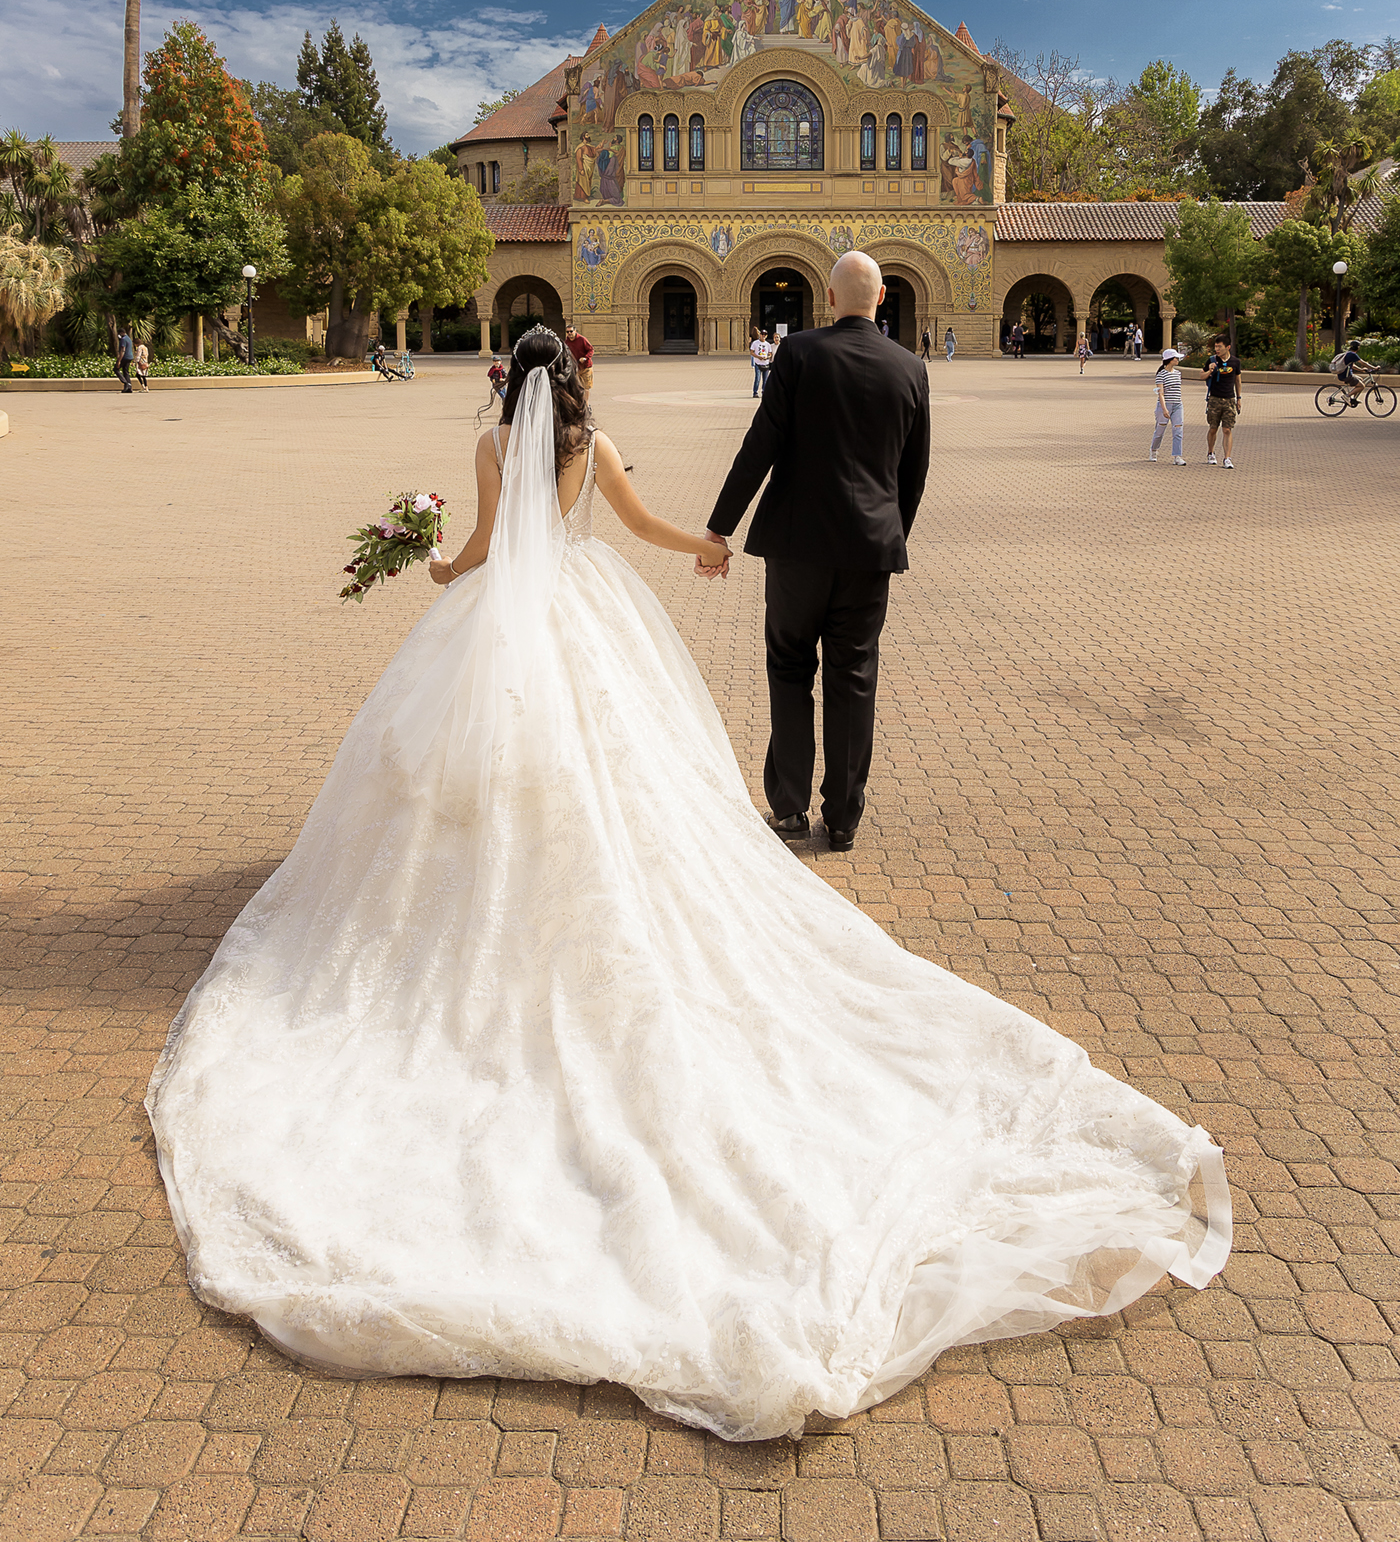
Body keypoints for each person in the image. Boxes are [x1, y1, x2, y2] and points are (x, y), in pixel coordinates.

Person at [146, 321, 1230, 1440]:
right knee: (617, 766)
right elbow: (644, 526)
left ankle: (483, 887)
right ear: (572, 381)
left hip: (497, 625)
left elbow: (476, 554)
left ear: (504, 383)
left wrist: (423, 562)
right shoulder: (594, 442)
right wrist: (707, 549)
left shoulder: (488, 450)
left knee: (473, 755)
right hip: (583, 612)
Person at [702, 250, 930, 851]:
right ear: (881, 298)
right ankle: (846, 816)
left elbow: (761, 447)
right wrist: (889, 532)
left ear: (828, 299)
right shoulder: (910, 368)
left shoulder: (799, 352)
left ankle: (790, 808)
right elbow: (914, 473)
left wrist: (718, 529)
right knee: (855, 677)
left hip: (797, 547)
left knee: (790, 670)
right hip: (869, 549)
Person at [1203, 335, 1242, 467]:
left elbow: (1238, 380)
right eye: (1215, 346)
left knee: (1227, 429)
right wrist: (1210, 370)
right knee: (1213, 428)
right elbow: (1201, 376)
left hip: (1230, 399)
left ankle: (1227, 458)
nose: (1217, 349)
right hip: (1214, 399)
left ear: (1228, 347)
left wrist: (1239, 398)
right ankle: (1210, 453)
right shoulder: (1212, 360)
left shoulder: (1235, 362)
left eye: (1219, 347)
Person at [1150, 345, 1187, 463]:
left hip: (1177, 405)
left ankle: (1177, 456)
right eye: (1176, 358)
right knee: (1160, 431)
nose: (1177, 360)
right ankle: (1154, 450)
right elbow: (1161, 393)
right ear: (1170, 359)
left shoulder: (1178, 373)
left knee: (1178, 430)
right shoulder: (1161, 374)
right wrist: (1164, 409)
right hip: (1165, 405)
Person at [1336, 341, 1378, 406]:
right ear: (1358, 348)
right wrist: (1374, 368)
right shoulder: (1353, 354)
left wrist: (1361, 370)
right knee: (1362, 386)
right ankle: (1347, 396)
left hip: (1343, 375)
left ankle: (1353, 399)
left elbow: (1352, 366)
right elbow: (1363, 363)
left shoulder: (1348, 353)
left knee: (1361, 380)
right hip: (1347, 376)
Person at [565, 321, 594, 397]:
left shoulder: (582, 339)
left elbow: (591, 349)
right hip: (575, 368)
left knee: (586, 387)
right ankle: (579, 402)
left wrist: (585, 358)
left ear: (575, 331)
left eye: (571, 331)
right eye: (567, 332)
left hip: (585, 367)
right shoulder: (566, 342)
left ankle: (586, 405)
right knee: (576, 387)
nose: (569, 333)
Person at [750, 328, 770, 396]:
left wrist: (767, 357)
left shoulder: (768, 344)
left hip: (766, 363)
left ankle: (764, 392)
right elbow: (751, 352)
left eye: (765, 334)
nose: (763, 336)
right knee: (757, 379)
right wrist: (758, 357)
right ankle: (755, 392)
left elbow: (770, 354)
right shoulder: (755, 343)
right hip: (758, 363)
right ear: (760, 335)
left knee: (765, 380)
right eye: (762, 334)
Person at [115, 325, 134, 394]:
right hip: (130, 357)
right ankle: (129, 387)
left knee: (116, 369)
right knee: (126, 372)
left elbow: (123, 350)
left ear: (122, 333)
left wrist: (119, 360)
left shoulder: (123, 339)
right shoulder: (129, 339)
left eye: (119, 334)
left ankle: (126, 383)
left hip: (125, 357)